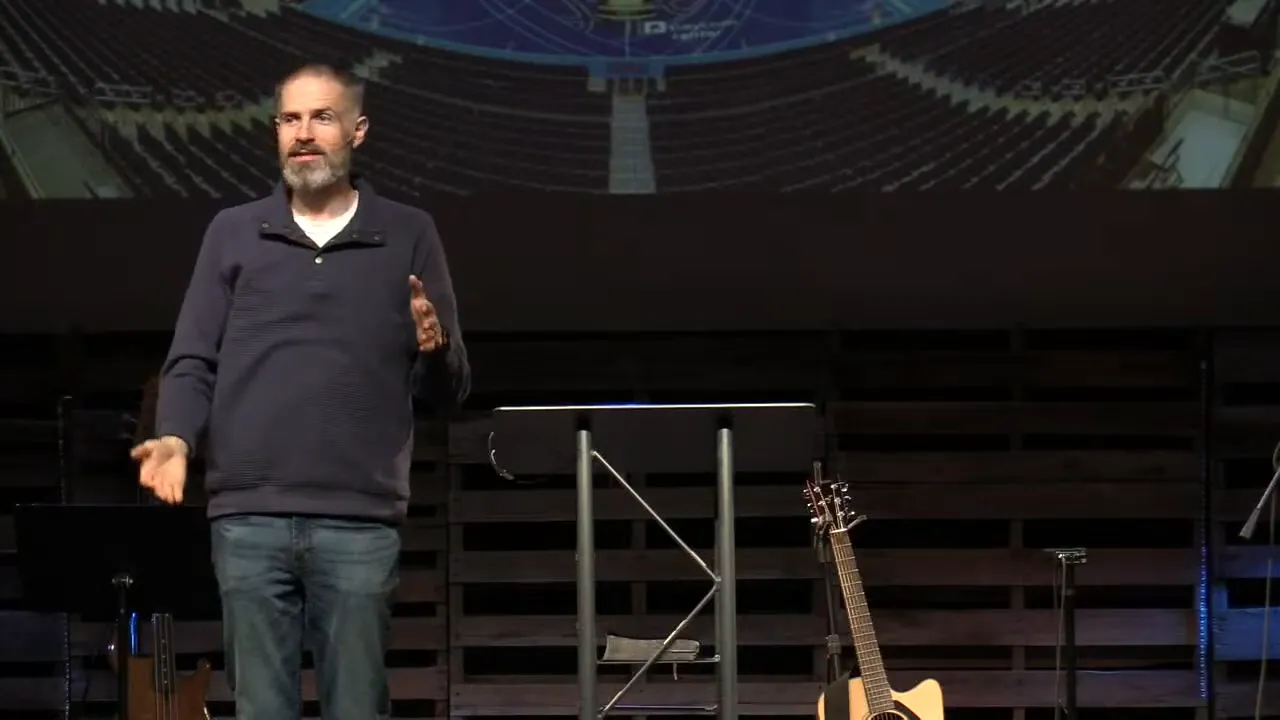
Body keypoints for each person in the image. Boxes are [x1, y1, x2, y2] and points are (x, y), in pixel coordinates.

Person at [130, 63, 470, 719]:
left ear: (357, 131)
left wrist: (437, 350)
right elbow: (193, 357)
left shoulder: (408, 233)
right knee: (261, 708)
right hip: (249, 519)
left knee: (357, 707)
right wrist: (175, 437)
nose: (303, 134)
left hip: (359, 520)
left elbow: (449, 392)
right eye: (290, 119)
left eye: (322, 117)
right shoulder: (233, 231)